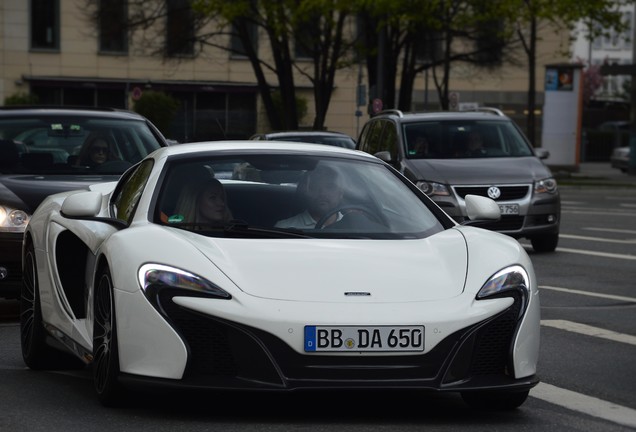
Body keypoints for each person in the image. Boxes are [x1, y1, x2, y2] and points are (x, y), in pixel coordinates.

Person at [275, 166, 344, 229]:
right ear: (306, 192)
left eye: (330, 187)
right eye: (315, 187)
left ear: (340, 193)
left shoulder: (353, 224)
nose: (322, 193)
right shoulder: (285, 227)